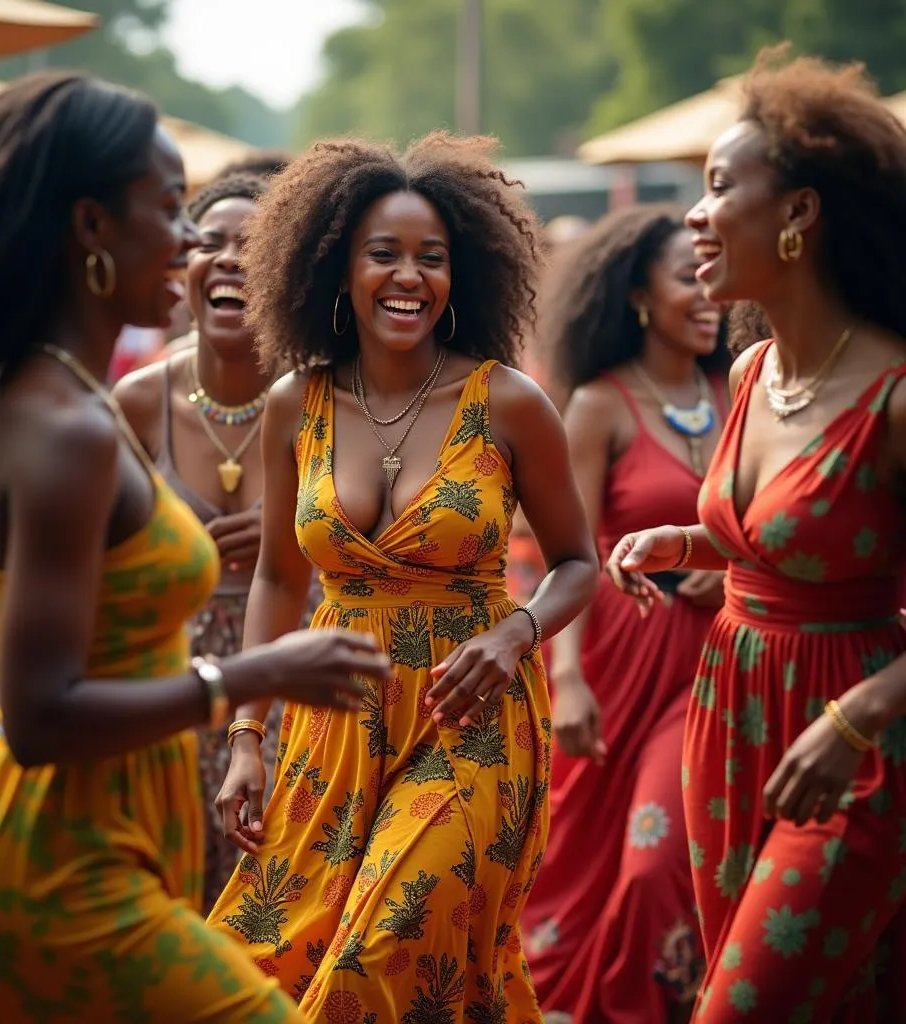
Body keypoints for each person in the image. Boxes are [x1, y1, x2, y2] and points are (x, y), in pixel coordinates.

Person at [0, 71, 393, 1023]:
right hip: (52, 872)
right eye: (169, 208)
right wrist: (251, 677)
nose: (195, 239)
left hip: (93, 848)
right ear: (90, 230)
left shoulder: (49, 396)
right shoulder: (64, 425)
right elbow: (36, 718)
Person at [204, 132, 599, 1022]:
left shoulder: (505, 401)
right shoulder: (292, 405)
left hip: (473, 715)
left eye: (434, 259)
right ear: (336, 269)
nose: (409, 277)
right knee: (282, 955)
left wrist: (514, 633)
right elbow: (276, 577)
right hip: (332, 716)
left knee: (391, 938)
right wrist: (247, 740)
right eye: (384, 254)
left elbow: (580, 563)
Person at [606, 49, 906, 1021]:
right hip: (730, 716)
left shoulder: (895, 395)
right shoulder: (751, 373)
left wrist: (855, 718)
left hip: (851, 738)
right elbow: (783, 541)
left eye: (719, 187)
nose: (695, 214)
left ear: (799, 214)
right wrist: (678, 542)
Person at [520, 205, 729, 1024]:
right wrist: (565, 681)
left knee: (660, 862)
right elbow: (554, 550)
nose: (708, 292)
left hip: (716, 659)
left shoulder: (743, 384)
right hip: (615, 653)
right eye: (688, 277)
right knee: (590, 860)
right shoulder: (600, 405)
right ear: (640, 293)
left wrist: (733, 559)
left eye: (712, 275)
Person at [116, 171, 312, 913]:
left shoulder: (323, 398)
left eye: (252, 245)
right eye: (212, 242)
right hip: (173, 680)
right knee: (178, 891)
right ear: (184, 266)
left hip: (296, 669)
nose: (229, 258)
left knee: (285, 891)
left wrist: (290, 530)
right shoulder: (137, 400)